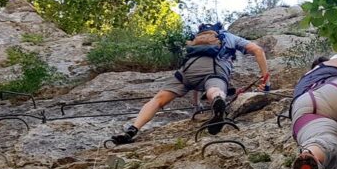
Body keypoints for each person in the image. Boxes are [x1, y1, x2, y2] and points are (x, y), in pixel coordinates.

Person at [111, 22, 269, 144]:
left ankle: (132, 130)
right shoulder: (229, 37)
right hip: (214, 69)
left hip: (187, 72)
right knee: (214, 88)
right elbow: (258, 50)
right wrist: (265, 80)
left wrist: (196, 104)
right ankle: (218, 99)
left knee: (158, 100)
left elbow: (195, 84)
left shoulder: (196, 40)